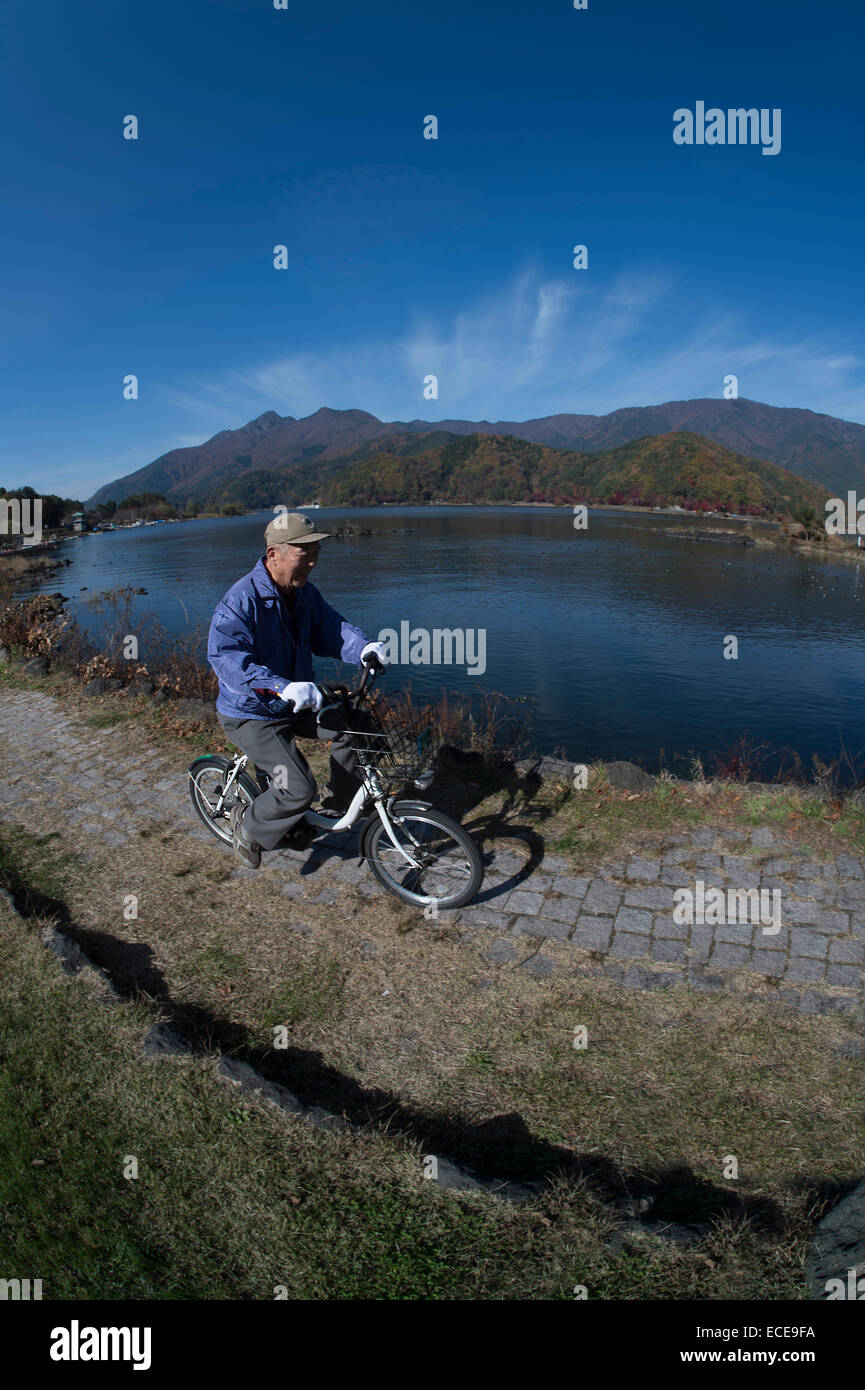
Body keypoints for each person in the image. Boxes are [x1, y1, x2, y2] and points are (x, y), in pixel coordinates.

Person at [207, 512, 389, 868]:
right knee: (298, 788)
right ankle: (248, 827)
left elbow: (331, 629)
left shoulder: (304, 593)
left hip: (294, 702)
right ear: (274, 554)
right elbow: (226, 657)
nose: (313, 559)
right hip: (252, 713)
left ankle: (341, 800)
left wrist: (363, 648)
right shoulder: (240, 601)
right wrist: (279, 686)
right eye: (303, 551)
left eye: (315, 549)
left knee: (354, 725)